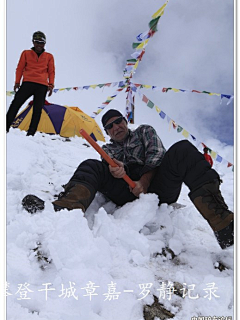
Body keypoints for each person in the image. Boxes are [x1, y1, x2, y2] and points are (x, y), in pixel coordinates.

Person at [23, 109, 234, 250]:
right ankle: (64, 210)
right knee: (91, 166)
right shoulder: (107, 149)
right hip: (127, 192)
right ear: (107, 132)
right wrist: (117, 171)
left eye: (118, 122)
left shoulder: (144, 132)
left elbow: (157, 156)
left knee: (182, 150)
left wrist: (144, 181)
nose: (116, 127)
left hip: (159, 189)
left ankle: (223, 224)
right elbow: (111, 170)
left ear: (125, 121)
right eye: (110, 126)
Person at [6, 31, 55, 136]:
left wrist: (51, 85)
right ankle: (5, 127)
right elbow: (20, 68)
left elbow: (51, 71)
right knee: (15, 104)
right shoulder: (26, 53)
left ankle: (31, 133)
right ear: (33, 42)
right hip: (27, 82)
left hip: (42, 85)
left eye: (41, 42)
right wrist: (17, 82)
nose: (39, 45)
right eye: (37, 42)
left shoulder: (49, 56)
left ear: (44, 44)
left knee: (37, 109)